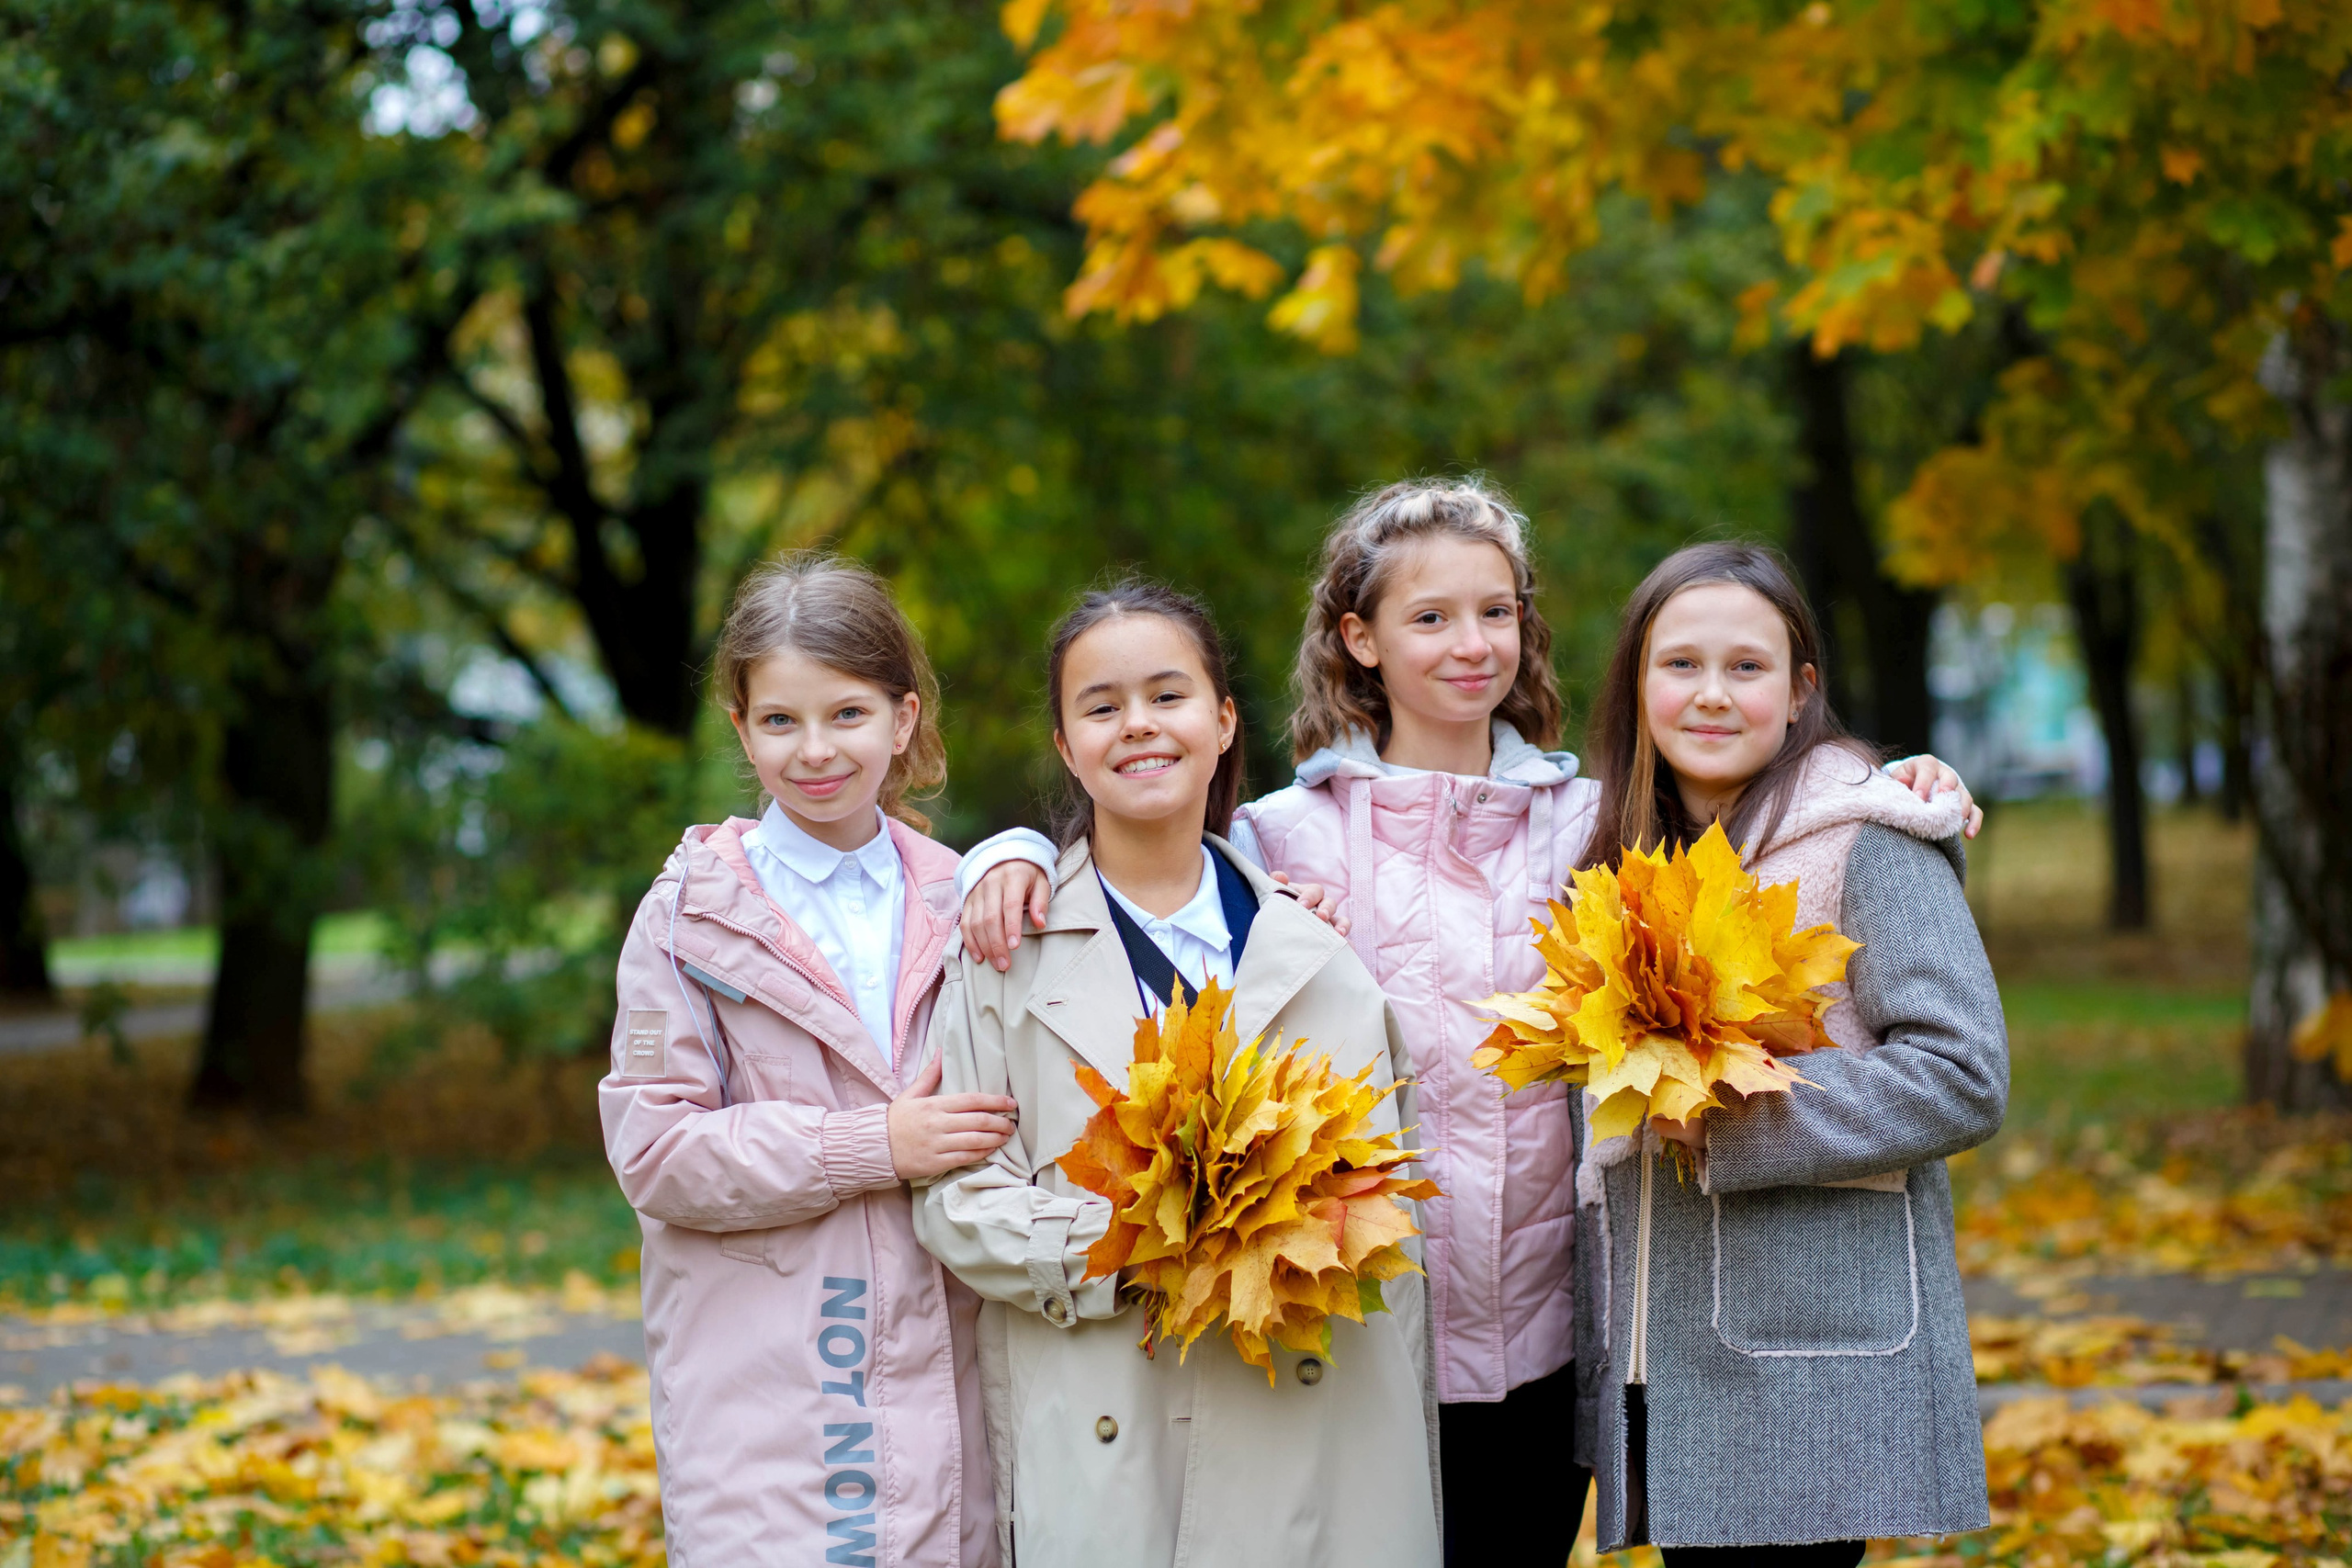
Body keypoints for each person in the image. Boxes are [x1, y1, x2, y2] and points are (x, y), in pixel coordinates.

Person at [954, 479, 1980, 1566]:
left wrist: (1902, 785)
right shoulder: (1275, 843)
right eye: (1430, 617)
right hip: (1344, 1342)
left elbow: (1771, 822)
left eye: (1496, 613)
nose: (1469, 644)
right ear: (1359, 639)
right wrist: (1008, 851)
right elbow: (1145, 872)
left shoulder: (1604, 826)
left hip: (1549, 1344)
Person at [911, 581, 1443, 1568]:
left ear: (1223, 719)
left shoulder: (1320, 954)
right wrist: (1146, 1245)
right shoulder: (1001, 956)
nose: (1138, 727)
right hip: (1111, 1431)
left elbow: (1389, 1227)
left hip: (1316, 1436)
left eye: (1168, 695)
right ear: (1067, 747)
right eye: (1101, 706)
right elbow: (957, 1200)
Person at [1573, 541, 2005, 1563]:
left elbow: (1963, 1076)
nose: (1710, 695)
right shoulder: (1624, 861)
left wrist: (1733, 1113)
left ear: (1801, 688)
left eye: (1746, 667)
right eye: (1679, 665)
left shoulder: (1871, 838)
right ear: (1636, 684)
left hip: (1807, 1344)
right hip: (1661, 1347)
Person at [600, 555, 1017, 1566]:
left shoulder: (975, 902)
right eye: (781, 721)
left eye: (848, 715)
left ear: (902, 719)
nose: (816, 750)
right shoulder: (684, 920)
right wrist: (873, 1143)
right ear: (741, 730)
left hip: (953, 1388)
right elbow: (655, 1149)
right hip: (769, 1404)